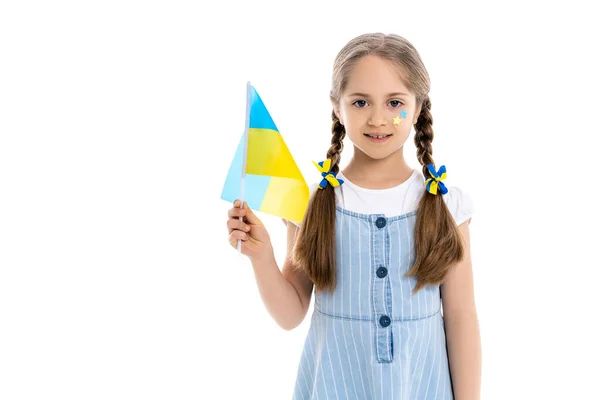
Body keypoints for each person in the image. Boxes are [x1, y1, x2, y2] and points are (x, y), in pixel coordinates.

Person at [226, 32, 481, 400]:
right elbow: (290, 314)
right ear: (337, 106)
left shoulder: (446, 205)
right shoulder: (313, 203)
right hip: (333, 386)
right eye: (360, 102)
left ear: (419, 105)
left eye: (395, 102)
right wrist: (260, 256)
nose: (378, 118)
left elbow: (460, 318)